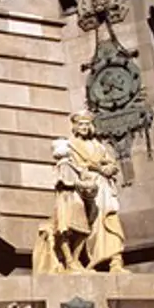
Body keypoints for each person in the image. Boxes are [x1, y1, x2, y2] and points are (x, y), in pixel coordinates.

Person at [35, 111, 127, 273]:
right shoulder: (69, 146)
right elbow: (67, 171)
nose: (84, 127)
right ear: (75, 127)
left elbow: (112, 165)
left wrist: (108, 168)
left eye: (86, 124)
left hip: (103, 189)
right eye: (81, 124)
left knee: (110, 221)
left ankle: (115, 262)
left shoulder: (99, 146)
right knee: (84, 226)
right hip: (83, 190)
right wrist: (89, 171)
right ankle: (83, 261)